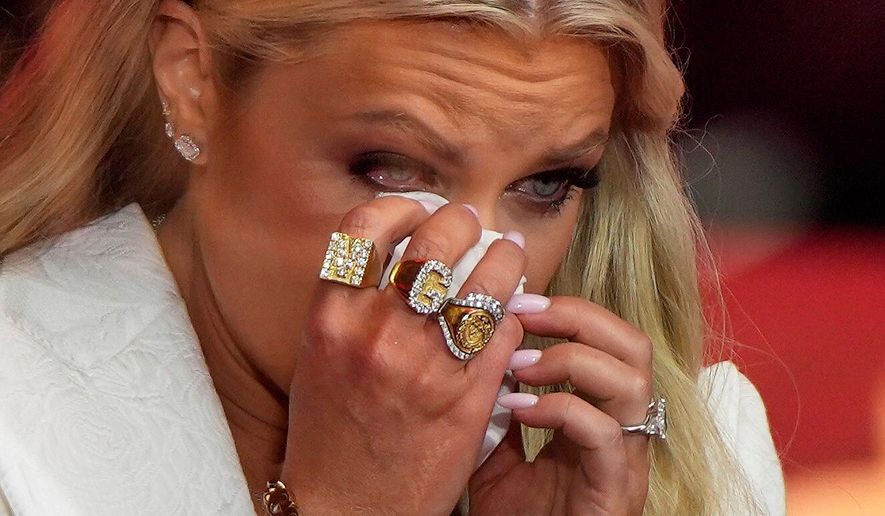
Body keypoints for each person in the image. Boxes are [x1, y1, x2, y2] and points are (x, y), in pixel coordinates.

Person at [0, 1, 785, 514]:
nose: (474, 264)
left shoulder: (697, 459)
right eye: (390, 168)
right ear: (192, 80)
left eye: (546, 184)